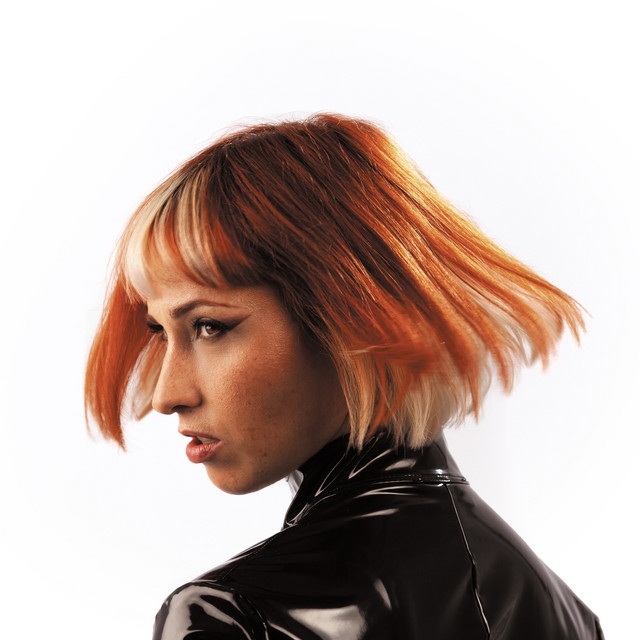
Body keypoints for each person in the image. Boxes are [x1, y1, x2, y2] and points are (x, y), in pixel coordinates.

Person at [85, 113, 604, 639]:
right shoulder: (569, 615)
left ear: (345, 319)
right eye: (159, 331)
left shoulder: (230, 616)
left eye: (209, 327)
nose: (167, 394)